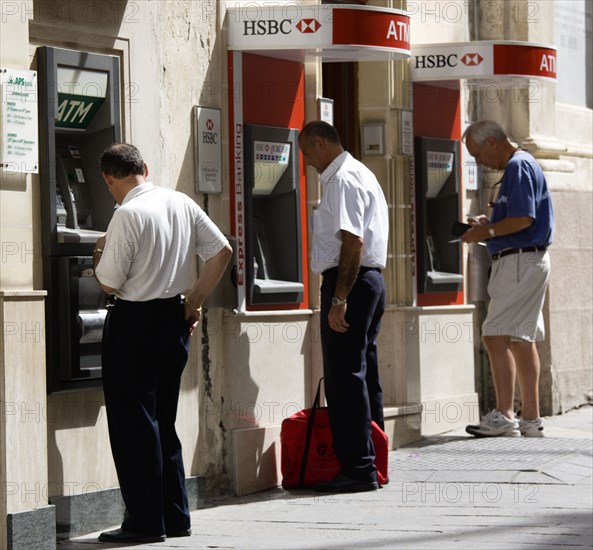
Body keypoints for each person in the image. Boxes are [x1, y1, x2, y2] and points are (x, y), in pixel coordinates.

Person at [93, 143, 232, 543]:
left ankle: (143, 523)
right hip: (171, 319)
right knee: (163, 421)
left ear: (108, 178)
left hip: (133, 324)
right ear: (146, 168)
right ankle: (175, 517)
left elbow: (109, 282)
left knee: (134, 424)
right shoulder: (180, 202)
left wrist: (98, 249)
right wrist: (193, 303)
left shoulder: (127, 214)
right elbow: (221, 252)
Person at [298, 121, 388, 493]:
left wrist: (339, 299)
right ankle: (374, 462)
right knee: (364, 373)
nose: (308, 163)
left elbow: (352, 242)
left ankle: (359, 468)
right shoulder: (360, 172)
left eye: (307, 154)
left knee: (344, 376)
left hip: (350, 281)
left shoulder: (343, 179)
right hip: (369, 281)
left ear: (320, 143)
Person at [461, 120, 554, 438]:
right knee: (520, 338)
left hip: (518, 261)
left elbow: (523, 218)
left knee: (495, 335)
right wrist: (491, 222)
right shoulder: (523, 164)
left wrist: (483, 232)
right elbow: (519, 217)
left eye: (476, 153)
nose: (478, 161)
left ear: (492, 142)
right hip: (528, 259)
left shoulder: (517, 166)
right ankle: (530, 417)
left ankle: (505, 415)